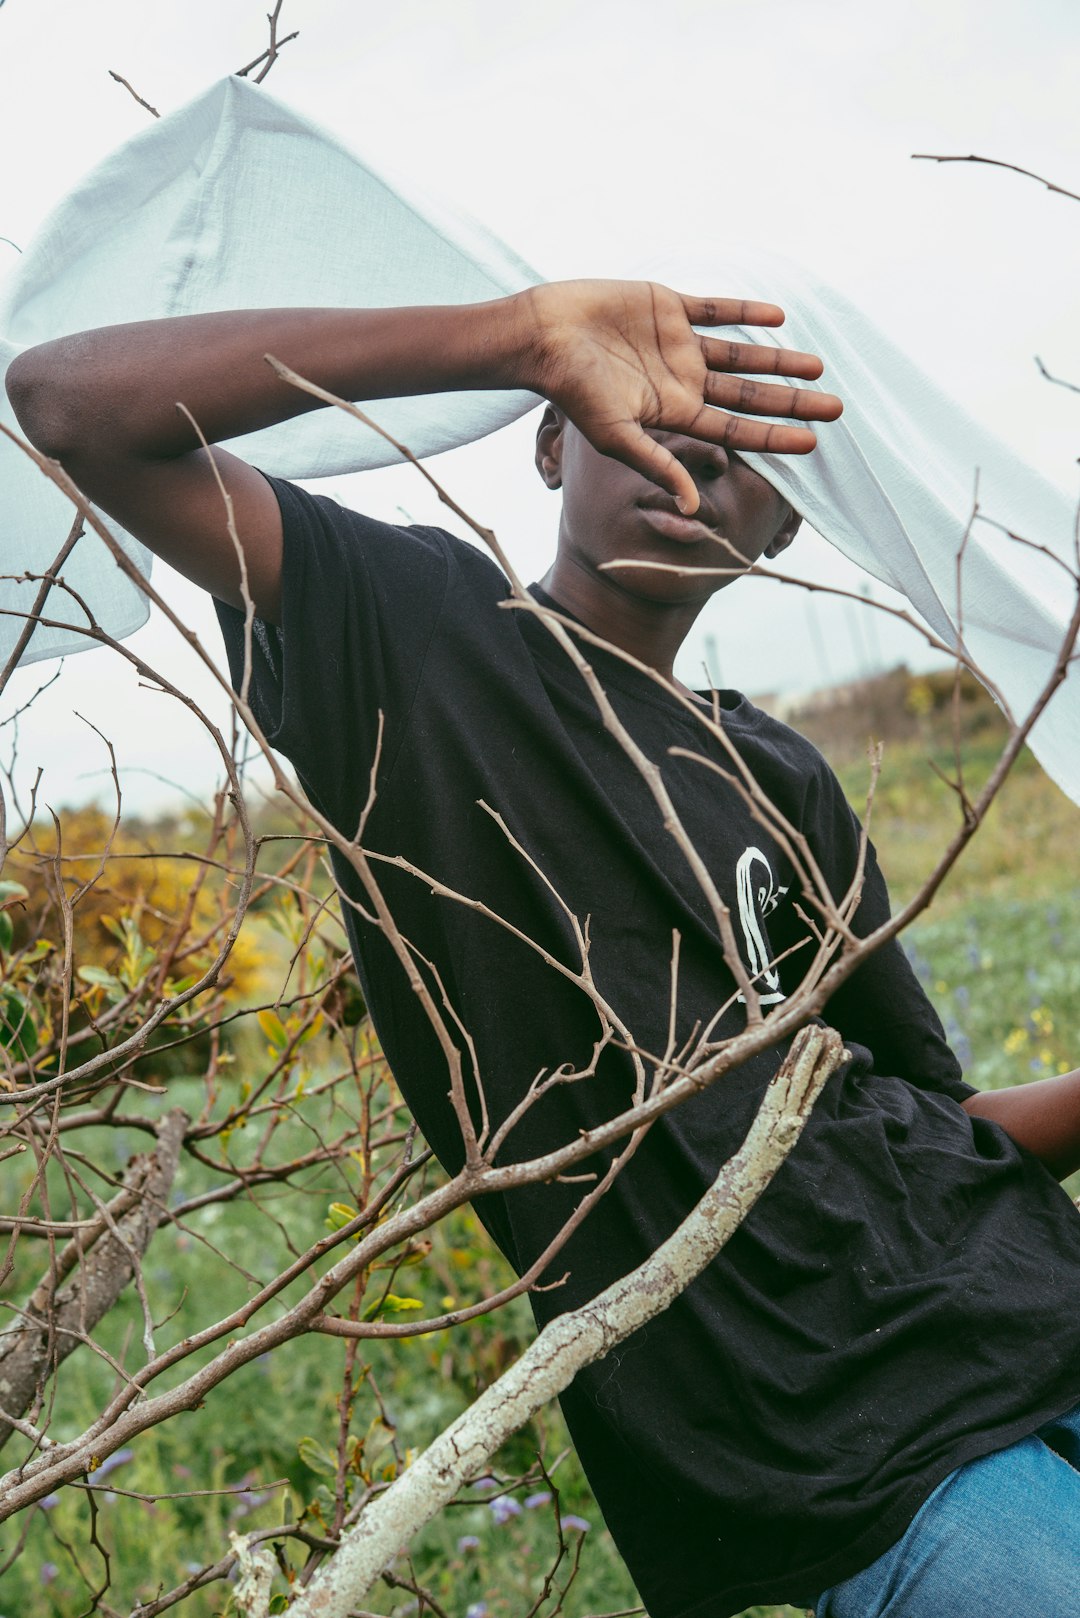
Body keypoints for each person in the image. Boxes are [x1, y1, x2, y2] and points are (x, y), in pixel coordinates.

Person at [8, 283, 1080, 1618]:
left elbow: (936, 1114)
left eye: (749, 447)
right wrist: (519, 336)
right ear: (554, 437)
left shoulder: (779, 771)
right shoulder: (424, 633)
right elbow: (73, 406)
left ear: (792, 527)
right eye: (662, 406)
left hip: (1034, 1301)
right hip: (857, 1443)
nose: (693, 455)